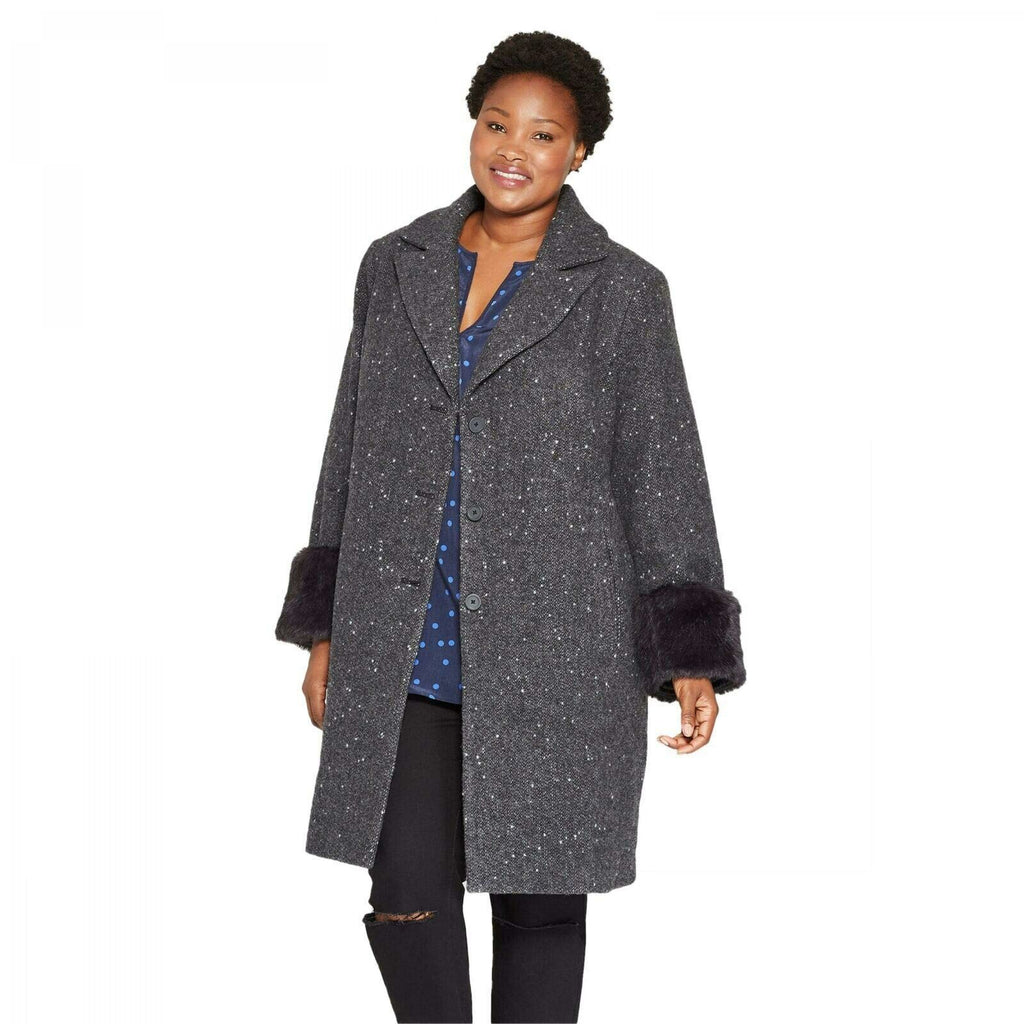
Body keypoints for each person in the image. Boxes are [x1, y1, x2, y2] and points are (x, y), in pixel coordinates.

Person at [275, 29, 746, 1024]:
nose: (513, 149)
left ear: (579, 152)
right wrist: (325, 627)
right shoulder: (395, 266)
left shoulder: (623, 292)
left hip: (560, 653)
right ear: (473, 127)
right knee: (404, 895)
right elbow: (350, 444)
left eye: (542, 133)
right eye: (497, 124)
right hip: (405, 641)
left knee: (539, 908)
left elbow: (660, 469)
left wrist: (688, 654)